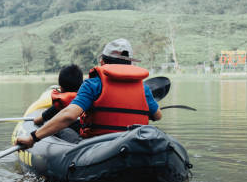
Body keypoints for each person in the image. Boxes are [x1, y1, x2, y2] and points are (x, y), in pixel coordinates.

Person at [15, 38, 162, 149]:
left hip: (97, 148)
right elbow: (157, 116)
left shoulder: (93, 84)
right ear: (130, 64)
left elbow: (68, 115)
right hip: (134, 144)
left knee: (62, 126)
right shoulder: (144, 88)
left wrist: (33, 138)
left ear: (102, 61)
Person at [33, 64, 83, 135]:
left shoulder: (59, 105)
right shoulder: (87, 101)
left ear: (61, 88)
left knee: (48, 123)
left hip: (69, 138)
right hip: (87, 137)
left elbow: (37, 121)